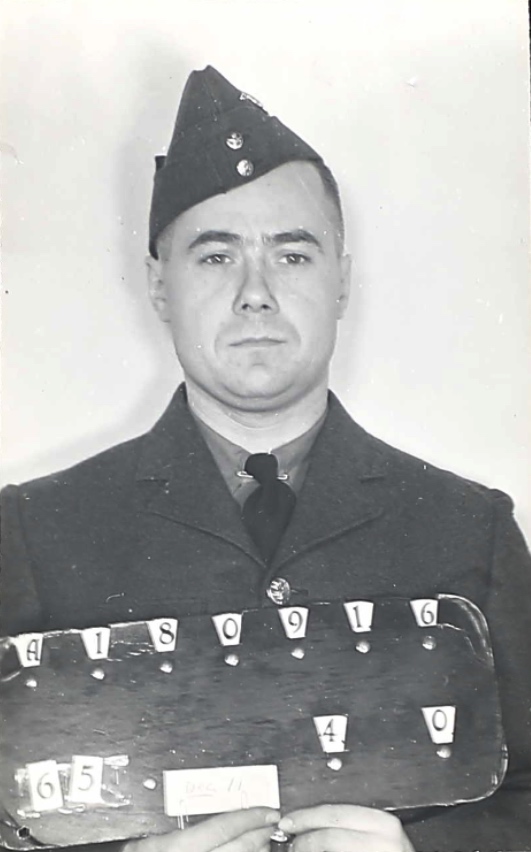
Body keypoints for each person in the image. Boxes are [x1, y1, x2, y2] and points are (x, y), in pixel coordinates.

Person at [1, 66, 530, 852]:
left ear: (342, 280)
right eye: (215, 257)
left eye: (292, 255)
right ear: (158, 285)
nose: (256, 292)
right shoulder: (34, 533)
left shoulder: (468, 529)